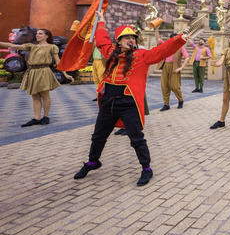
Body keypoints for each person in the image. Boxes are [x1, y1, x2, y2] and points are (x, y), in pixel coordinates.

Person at [73, 11, 196, 185]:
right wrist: (101, 21)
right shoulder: (111, 53)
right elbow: (101, 41)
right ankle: (93, 162)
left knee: (136, 138)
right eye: (126, 38)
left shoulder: (142, 56)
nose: (131, 40)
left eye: (133, 38)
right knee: (98, 135)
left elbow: (162, 50)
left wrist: (179, 39)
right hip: (108, 101)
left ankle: (147, 168)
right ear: (119, 41)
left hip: (128, 103)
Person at [0, 29, 73, 126]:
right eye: (37, 34)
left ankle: (46, 117)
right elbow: (13, 45)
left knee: (45, 95)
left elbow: (58, 61)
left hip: (44, 71)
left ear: (47, 36)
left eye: (40, 34)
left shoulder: (51, 47)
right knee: (35, 96)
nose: (37, 35)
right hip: (32, 72)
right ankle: (36, 118)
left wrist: (65, 74)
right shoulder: (31, 46)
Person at [155, 28, 191, 111]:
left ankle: (180, 100)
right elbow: (158, 39)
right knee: (164, 86)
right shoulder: (166, 45)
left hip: (175, 67)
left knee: (175, 86)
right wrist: (156, 28)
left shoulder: (181, 47)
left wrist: (181, 68)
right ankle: (166, 104)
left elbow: (187, 57)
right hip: (165, 66)